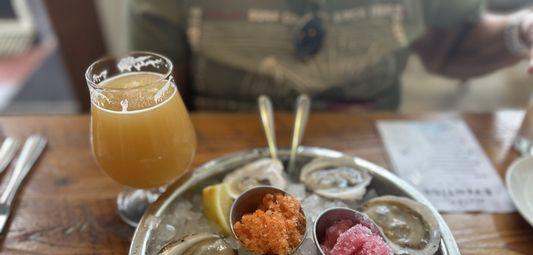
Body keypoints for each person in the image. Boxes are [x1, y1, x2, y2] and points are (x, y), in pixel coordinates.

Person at [127, 0, 533, 111]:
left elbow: (451, 53)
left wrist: (521, 32)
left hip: (368, 152)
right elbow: (156, 99)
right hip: (224, 152)